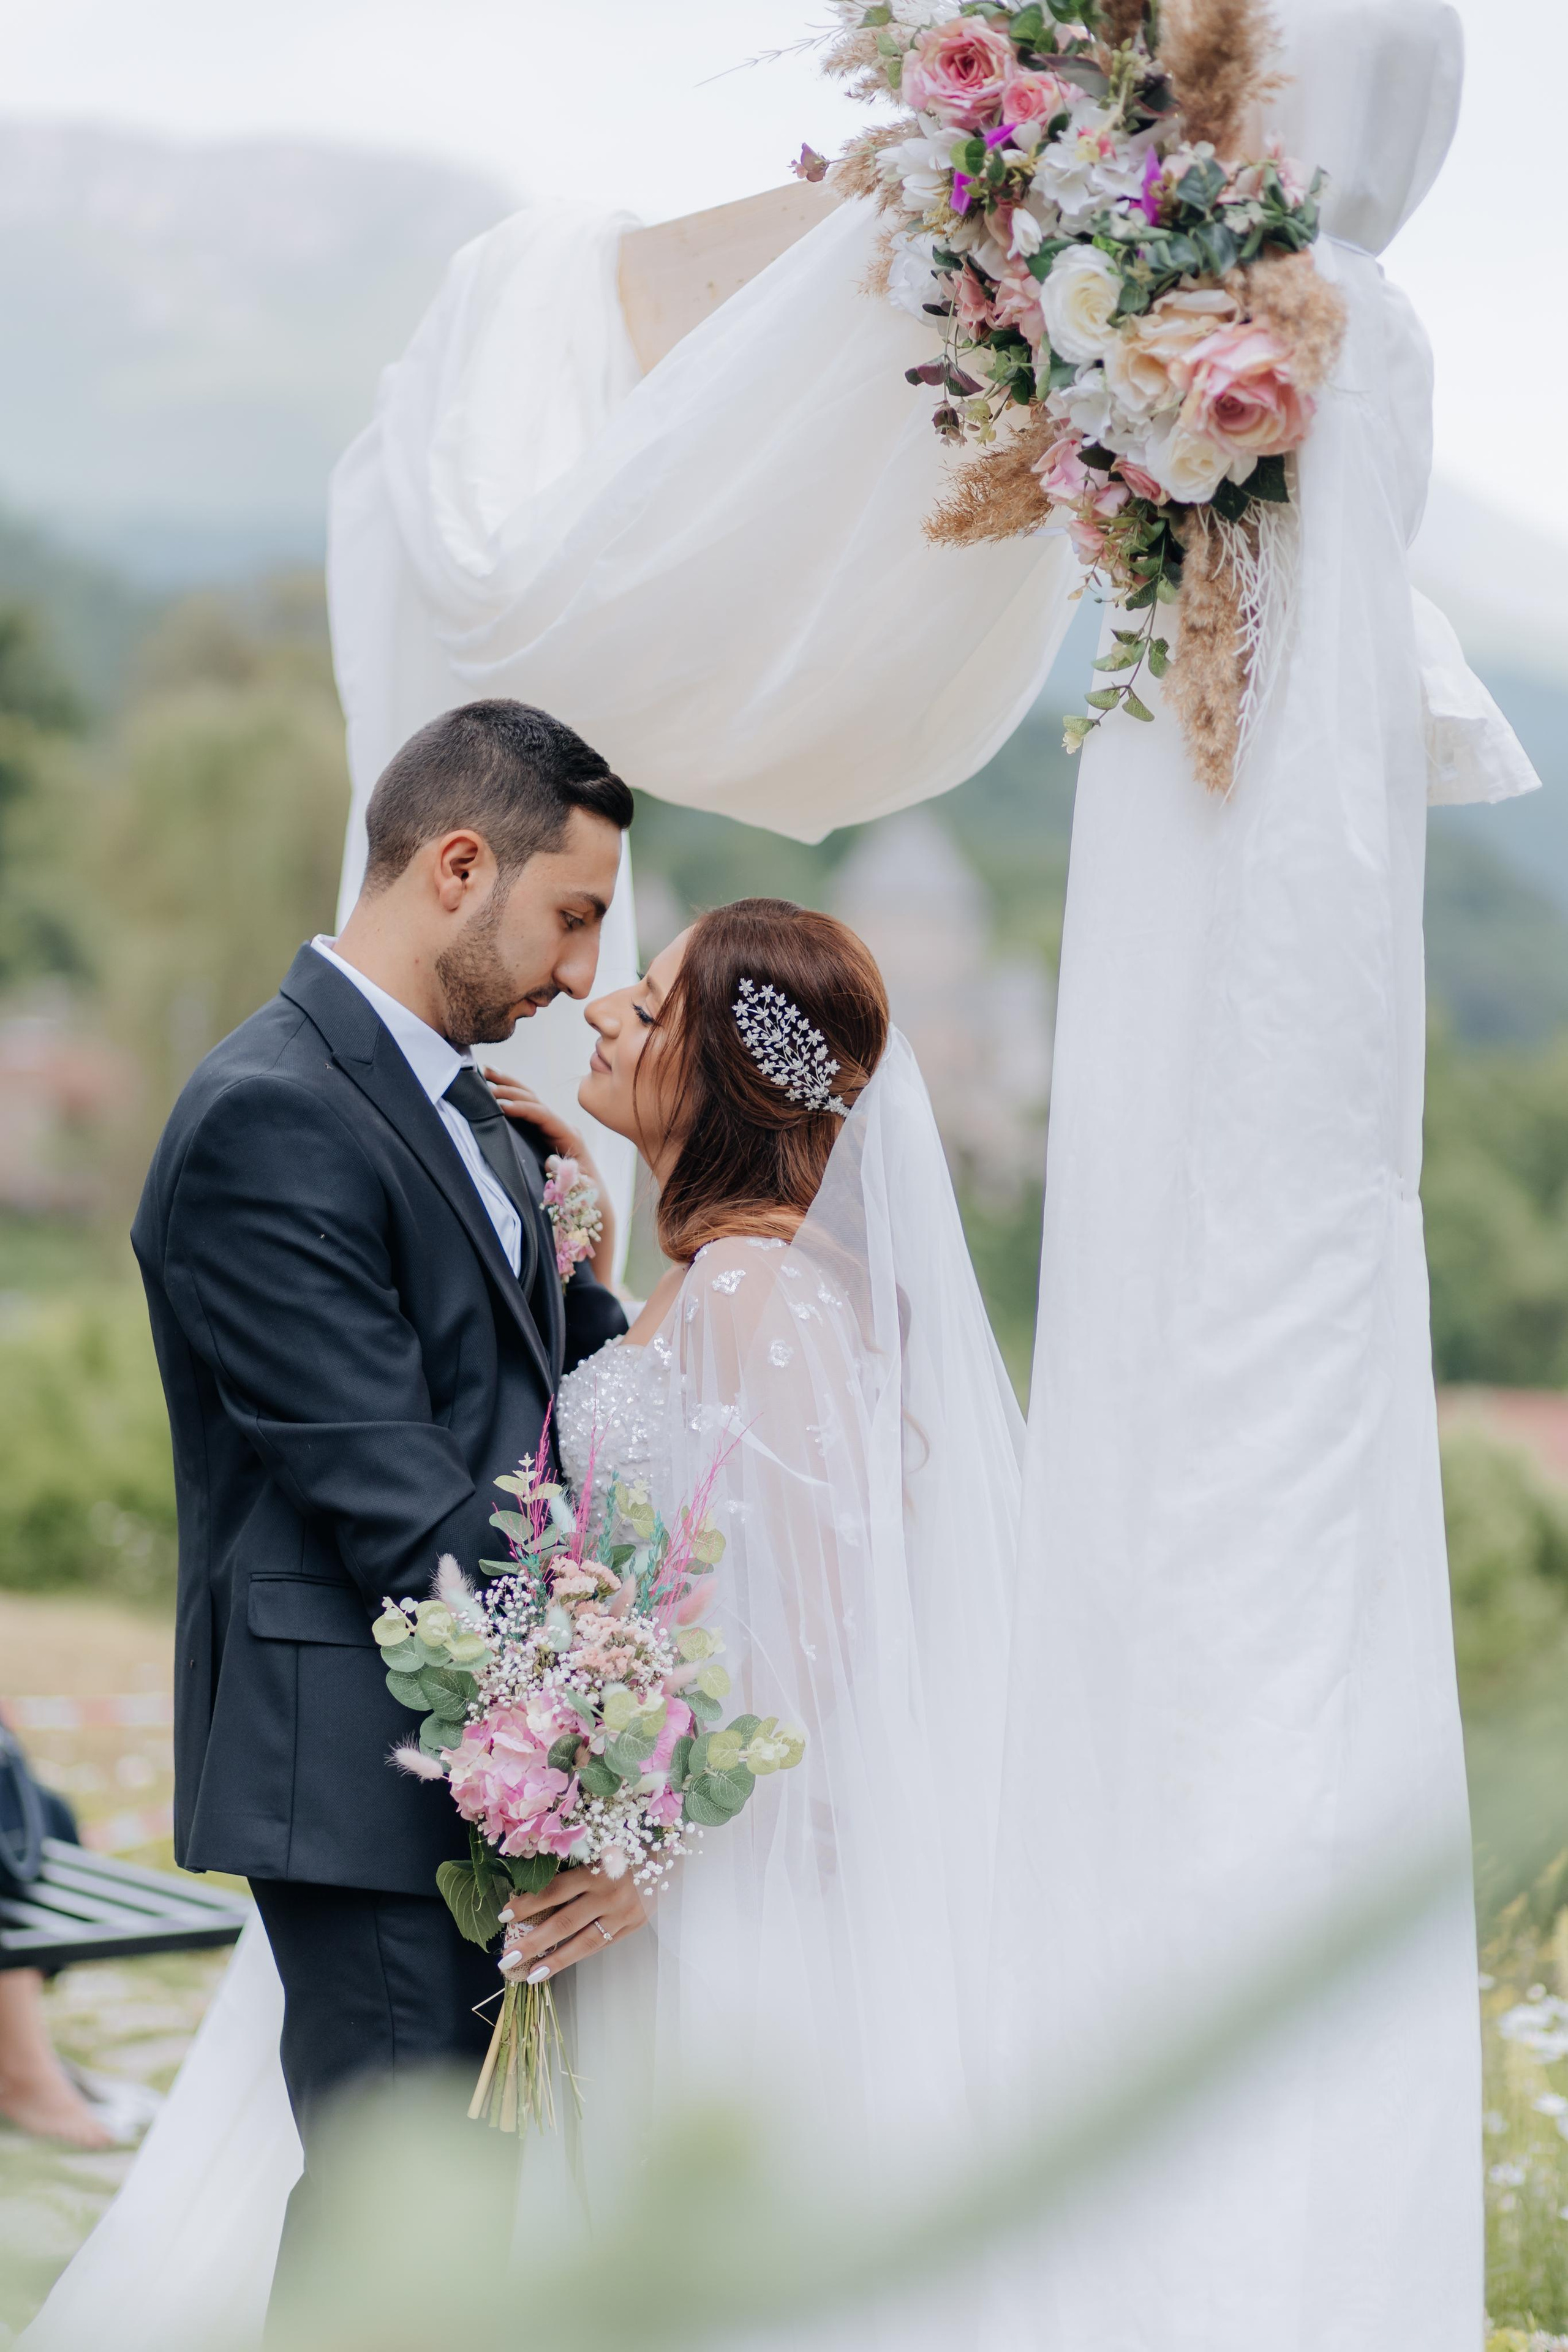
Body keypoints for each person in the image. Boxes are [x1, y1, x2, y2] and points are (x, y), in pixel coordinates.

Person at [24, 893, 1025, 2350]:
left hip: (685, 1899)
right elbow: (655, 1519)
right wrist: (585, 1281)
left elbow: (819, 1635)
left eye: (654, 995)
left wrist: (647, 1848)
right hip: (613, 1884)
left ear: (731, 1071)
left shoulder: (758, 1292)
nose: (604, 1006)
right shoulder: (706, 1284)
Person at [127, 696, 632, 2279]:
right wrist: (611, 1734)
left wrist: (598, 1282)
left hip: (472, 1746)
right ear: (460, 865)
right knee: (395, 2246)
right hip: (366, 1763)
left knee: (454, 2235)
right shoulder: (269, 1115)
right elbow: (395, 1499)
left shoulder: (478, 1125)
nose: (578, 976)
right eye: (573, 917)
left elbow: (537, 1410)